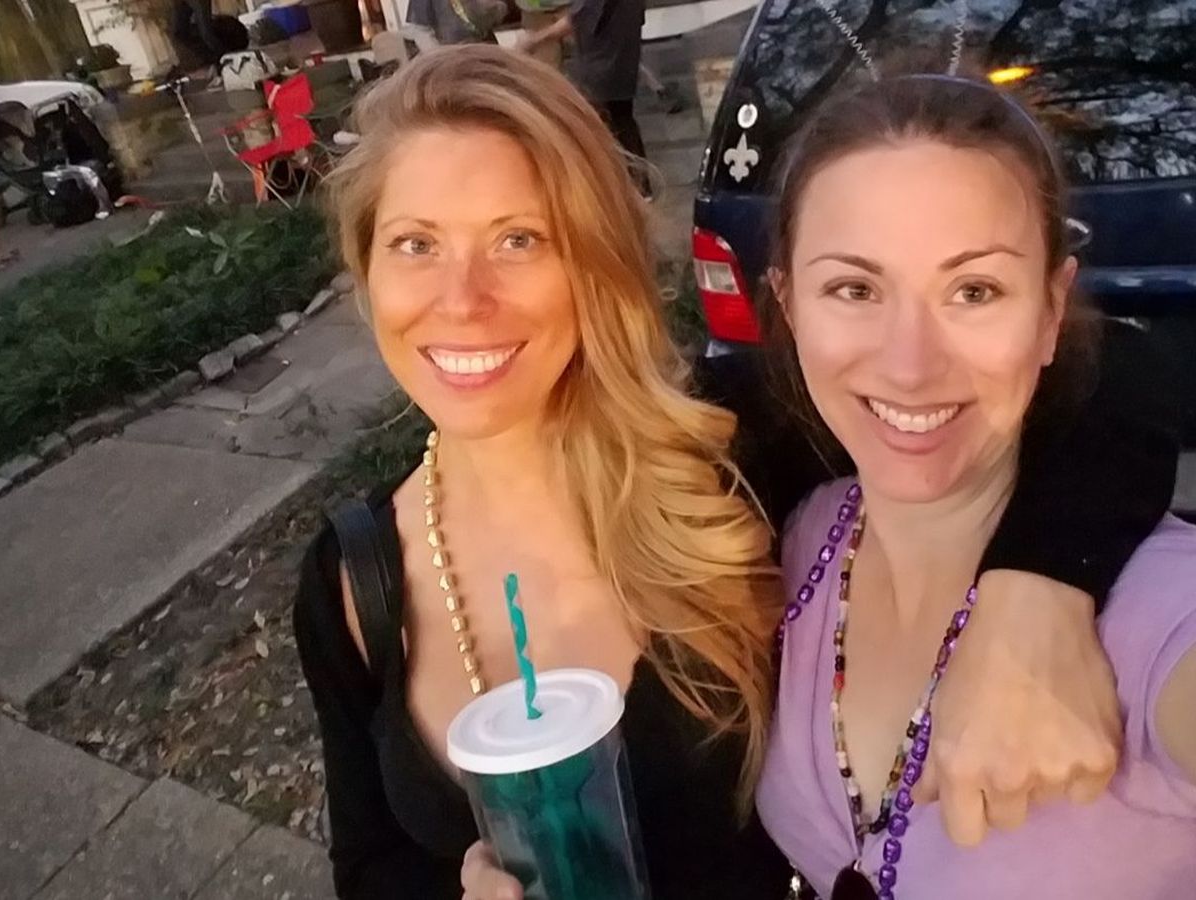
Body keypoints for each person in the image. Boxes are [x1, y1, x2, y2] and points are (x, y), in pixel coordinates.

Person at [292, 46, 1177, 900]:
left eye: (519, 239)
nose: (461, 300)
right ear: (365, 270)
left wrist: (1038, 588)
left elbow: (1093, 384)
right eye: (414, 244)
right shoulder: (353, 582)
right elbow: (370, 865)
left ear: (598, 258)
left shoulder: (731, 451)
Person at [755, 73, 1196, 899]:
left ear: (1051, 312)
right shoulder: (805, 538)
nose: (910, 364)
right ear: (788, 305)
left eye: (974, 291)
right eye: (854, 289)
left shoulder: (1159, 610)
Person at [515, 0, 651, 197]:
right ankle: (638, 187)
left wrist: (534, 40)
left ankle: (626, 188)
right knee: (621, 120)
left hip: (604, 64)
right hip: (619, 57)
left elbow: (579, 18)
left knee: (606, 125)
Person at [406, 0, 511, 46]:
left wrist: (493, 7)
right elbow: (420, 30)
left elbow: (501, 14)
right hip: (452, 56)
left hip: (486, 50)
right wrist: (441, 59)